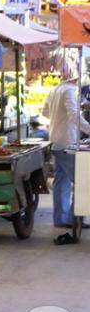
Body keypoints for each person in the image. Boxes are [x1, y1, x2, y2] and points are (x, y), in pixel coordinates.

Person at [42, 77, 90, 232]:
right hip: (66, 141)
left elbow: (45, 111)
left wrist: (60, 119)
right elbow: (74, 114)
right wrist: (88, 129)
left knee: (61, 180)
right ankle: (73, 219)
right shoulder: (69, 90)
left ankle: (61, 219)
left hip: (55, 140)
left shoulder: (56, 89)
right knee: (81, 180)